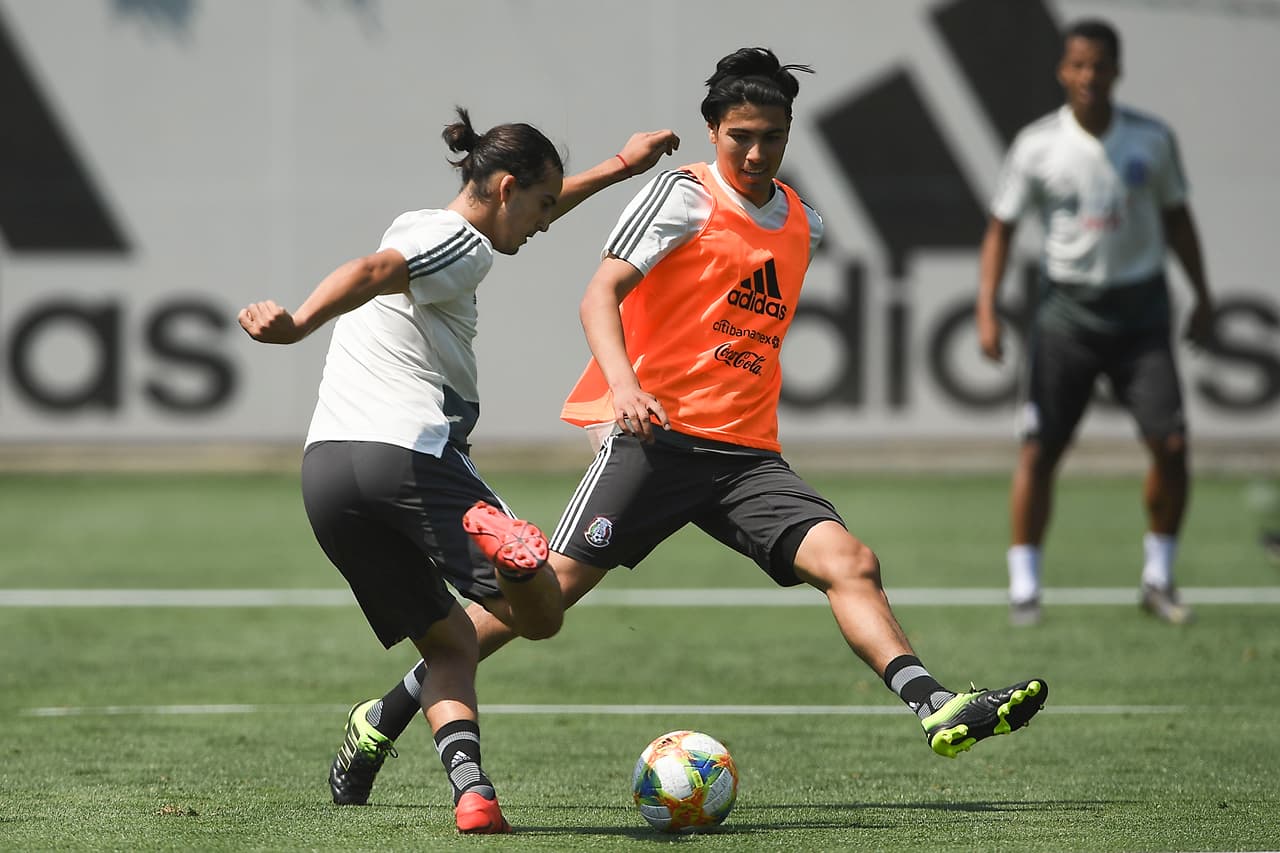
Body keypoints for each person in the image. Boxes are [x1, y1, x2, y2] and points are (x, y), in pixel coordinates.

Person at [327, 46, 1049, 810]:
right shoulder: (681, 196)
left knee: (852, 561)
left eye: (772, 135)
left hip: (746, 457)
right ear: (713, 131)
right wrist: (627, 389)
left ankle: (934, 705)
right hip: (654, 443)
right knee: (541, 597)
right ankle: (386, 712)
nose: (757, 150)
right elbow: (599, 295)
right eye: (741, 135)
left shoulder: (804, 221)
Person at [237, 109, 680, 833]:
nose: (543, 224)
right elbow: (372, 272)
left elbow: (503, 217)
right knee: (540, 611)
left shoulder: (429, 224)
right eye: (539, 206)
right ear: (505, 189)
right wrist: (299, 323)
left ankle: (472, 791)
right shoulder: (462, 243)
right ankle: (511, 555)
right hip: (407, 455)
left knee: (450, 641)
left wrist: (620, 169)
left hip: (326, 474)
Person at [975, 19, 1215, 627]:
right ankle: (1024, 586)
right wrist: (986, 308)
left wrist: (1204, 296)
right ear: (1063, 70)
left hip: (1141, 315)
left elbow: (1179, 220)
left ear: (1116, 70)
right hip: (1066, 316)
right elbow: (1001, 228)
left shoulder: (1151, 141)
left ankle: (1158, 578)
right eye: (1077, 65)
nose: (1088, 76)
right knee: (1040, 450)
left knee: (1173, 446)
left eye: (1099, 65)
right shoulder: (1037, 145)